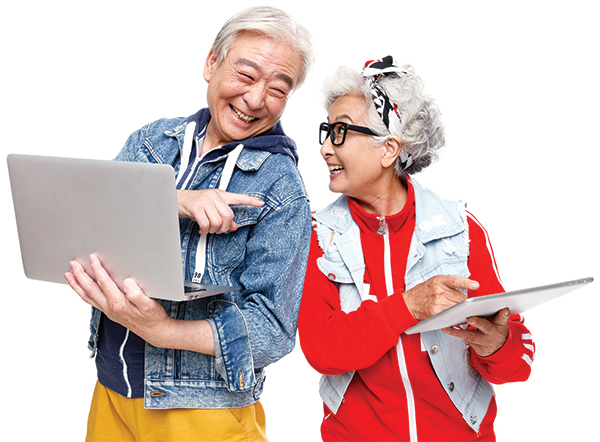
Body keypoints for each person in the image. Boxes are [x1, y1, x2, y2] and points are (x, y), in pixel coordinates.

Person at [64, 7, 314, 442]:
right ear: (211, 64)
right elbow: (90, 219)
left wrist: (164, 331)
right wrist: (174, 201)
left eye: (278, 89)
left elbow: (273, 330)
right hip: (111, 388)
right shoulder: (152, 140)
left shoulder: (282, 186)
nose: (256, 100)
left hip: (202, 411)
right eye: (247, 74)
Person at [298, 56, 535, 441]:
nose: (325, 147)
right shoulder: (317, 235)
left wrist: (498, 346)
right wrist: (408, 306)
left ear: (389, 149)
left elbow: (517, 366)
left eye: (340, 132)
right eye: (325, 131)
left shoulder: (460, 229)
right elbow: (322, 349)